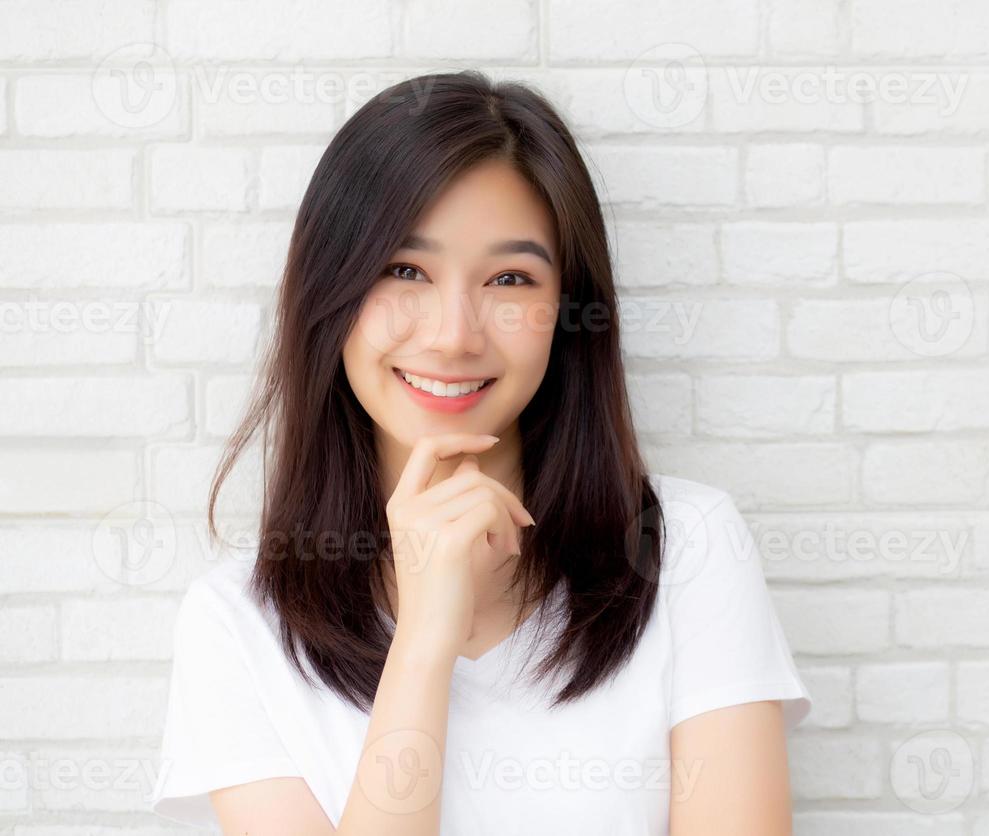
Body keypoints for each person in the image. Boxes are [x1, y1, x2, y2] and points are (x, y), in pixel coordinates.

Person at [146, 71, 811, 834]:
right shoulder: (239, 625)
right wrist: (425, 644)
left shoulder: (688, 547)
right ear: (328, 291)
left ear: (566, 312)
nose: (453, 334)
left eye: (509, 278)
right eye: (405, 270)